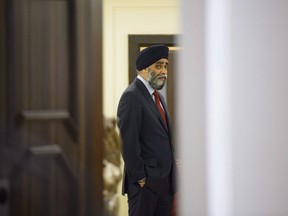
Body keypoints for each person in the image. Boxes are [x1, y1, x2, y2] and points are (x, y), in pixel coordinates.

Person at [117, 44, 177, 216]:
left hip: (165, 184)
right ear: (144, 68)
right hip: (145, 186)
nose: (163, 71)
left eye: (165, 66)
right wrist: (141, 178)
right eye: (158, 66)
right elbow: (128, 142)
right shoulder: (131, 96)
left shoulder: (159, 97)